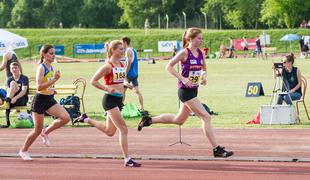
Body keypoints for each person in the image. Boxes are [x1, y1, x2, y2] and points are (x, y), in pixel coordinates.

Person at [137, 27, 234, 158]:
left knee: (179, 120)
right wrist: (183, 79)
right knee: (206, 117)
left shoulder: (201, 53)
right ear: (191, 38)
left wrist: (204, 77)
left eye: (201, 38)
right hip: (184, 92)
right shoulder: (184, 53)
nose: (201, 40)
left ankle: (149, 120)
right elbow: (168, 66)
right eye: (199, 38)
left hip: (194, 91)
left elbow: (204, 68)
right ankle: (216, 149)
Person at [73, 40, 141, 167]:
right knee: (124, 129)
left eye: (123, 49)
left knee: (110, 132)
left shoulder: (121, 64)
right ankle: (127, 159)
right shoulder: (108, 66)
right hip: (110, 100)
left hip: (119, 100)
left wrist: (126, 84)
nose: (123, 51)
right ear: (113, 50)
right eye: (120, 49)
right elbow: (93, 81)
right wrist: (106, 88)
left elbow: (120, 81)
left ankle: (86, 119)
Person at [19, 45, 71, 161]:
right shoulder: (41, 68)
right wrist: (55, 80)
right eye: (51, 53)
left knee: (66, 117)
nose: (53, 55)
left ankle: (46, 131)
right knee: (36, 130)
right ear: (44, 54)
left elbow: (46, 85)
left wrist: (52, 89)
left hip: (49, 99)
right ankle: (23, 150)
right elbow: (39, 87)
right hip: (40, 101)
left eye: (54, 53)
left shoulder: (51, 67)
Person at [0, 62, 29, 128]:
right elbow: (7, 90)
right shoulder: (9, 79)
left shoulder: (24, 78)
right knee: (11, 84)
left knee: (13, 83)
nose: (14, 69)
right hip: (11, 100)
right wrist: (11, 98)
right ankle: (8, 123)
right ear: (10, 70)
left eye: (16, 68)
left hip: (21, 99)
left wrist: (15, 98)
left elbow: (24, 91)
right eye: (12, 68)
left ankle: (7, 101)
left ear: (19, 69)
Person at [122, 37, 145, 111]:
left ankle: (120, 107)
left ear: (125, 42)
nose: (121, 44)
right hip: (135, 73)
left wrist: (124, 73)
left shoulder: (128, 50)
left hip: (129, 74)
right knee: (137, 91)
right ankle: (142, 107)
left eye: (121, 42)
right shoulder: (134, 50)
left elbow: (129, 62)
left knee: (122, 91)